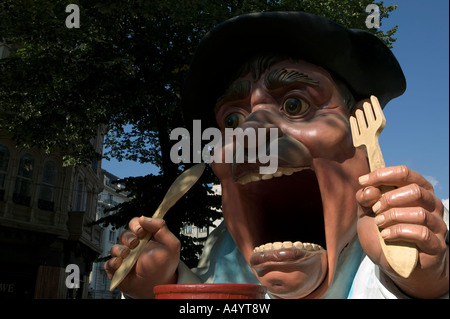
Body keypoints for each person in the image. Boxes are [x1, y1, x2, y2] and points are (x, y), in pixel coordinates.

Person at [105, 12, 449, 299]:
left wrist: (422, 283)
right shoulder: (222, 255)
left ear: (359, 131)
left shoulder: (415, 226)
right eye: (232, 120)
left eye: (295, 104)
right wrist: (160, 288)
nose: (250, 132)